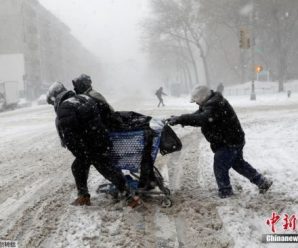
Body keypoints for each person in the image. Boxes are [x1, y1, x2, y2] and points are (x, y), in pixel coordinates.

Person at [167, 85, 273, 198]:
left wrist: (181, 119)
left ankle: (225, 192)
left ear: (203, 96)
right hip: (233, 139)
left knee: (220, 165)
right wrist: (179, 119)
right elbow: (198, 115)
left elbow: (202, 118)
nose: (196, 103)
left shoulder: (214, 104)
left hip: (229, 142)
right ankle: (262, 182)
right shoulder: (211, 102)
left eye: (196, 101)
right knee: (238, 163)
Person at [46, 82, 138, 206]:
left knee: (106, 170)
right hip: (100, 140)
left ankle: (130, 198)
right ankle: (84, 196)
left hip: (90, 146)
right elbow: (103, 112)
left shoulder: (65, 107)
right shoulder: (84, 97)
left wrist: (80, 152)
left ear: (56, 97)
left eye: (52, 102)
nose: (53, 105)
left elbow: (70, 135)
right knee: (81, 167)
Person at [72, 74, 157, 190]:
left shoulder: (87, 98)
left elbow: (105, 114)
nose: (75, 89)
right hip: (109, 127)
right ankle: (146, 178)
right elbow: (110, 112)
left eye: (76, 86)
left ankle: (129, 185)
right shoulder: (92, 95)